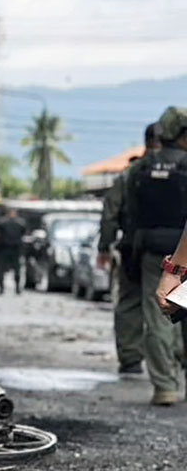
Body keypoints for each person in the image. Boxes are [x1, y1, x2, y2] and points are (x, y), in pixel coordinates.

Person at [126, 106, 187, 405]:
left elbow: (130, 215)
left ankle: (165, 386)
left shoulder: (141, 168)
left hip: (155, 252)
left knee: (161, 318)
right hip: (180, 248)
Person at [97, 124, 162, 375]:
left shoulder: (130, 174)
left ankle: (131, 357)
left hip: (133, 247)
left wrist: (105, 245)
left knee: (129, 302)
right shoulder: (180, 170)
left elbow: (110, 213)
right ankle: (171, 359)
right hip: (174, 248)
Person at [0, 206, 27, 295]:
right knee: (3, 269)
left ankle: (15, 287)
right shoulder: (4, 223)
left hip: (12, 249)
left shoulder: (17, 223)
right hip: (6, 248)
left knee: (15, 270)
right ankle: (3, 288)